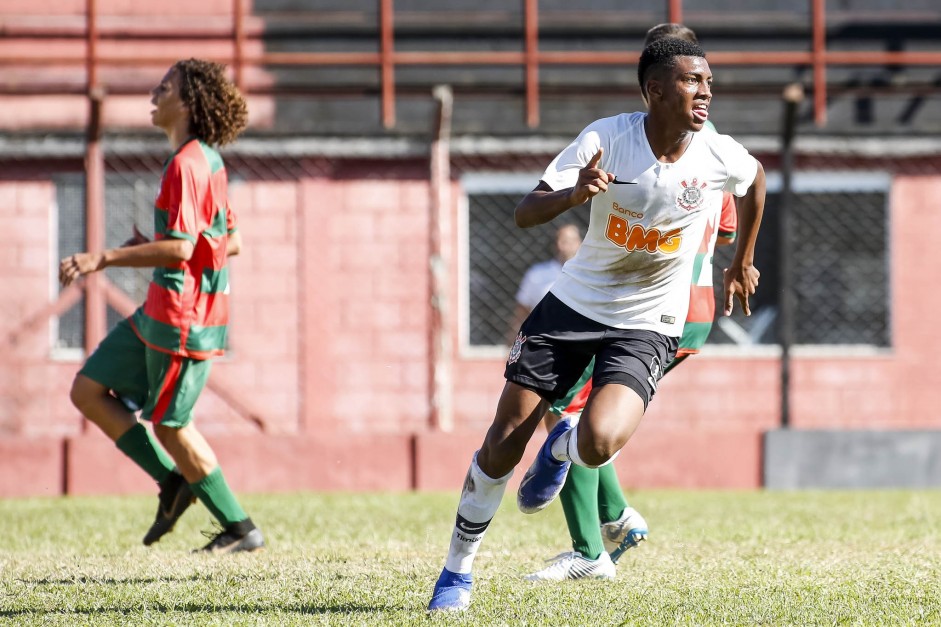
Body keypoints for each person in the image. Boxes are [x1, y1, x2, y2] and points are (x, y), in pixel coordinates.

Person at [428, 36, 765, 611]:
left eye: (708, 82)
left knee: (601, 437)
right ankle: (456, 571)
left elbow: (755, 181)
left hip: (648, 320)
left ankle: (562, 452)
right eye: (692, 82)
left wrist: (742, 259)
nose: (705, 92)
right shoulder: (607, 138)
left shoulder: (718, 152)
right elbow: (524, 211)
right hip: (574, 306)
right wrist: (574, 194)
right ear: (655, 90)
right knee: (502, 447)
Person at [524, 23, 738, 582]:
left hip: (658, 302)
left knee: (567, 410)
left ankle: (592, 549)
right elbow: (728, 232)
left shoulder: (695, 145)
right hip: (689, 304)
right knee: (573, 410)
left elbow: (718, 220)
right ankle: (613, 519)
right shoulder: (696, 137)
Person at [59, 58, 264, 554]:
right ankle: (172, 484)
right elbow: (225, 241)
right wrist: (162, 243)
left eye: (164, 87)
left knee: (171, 425)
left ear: (188, 103)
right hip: (160, 309)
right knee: (87, 390)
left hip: (183, 317)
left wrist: (101, 257)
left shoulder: (188, 165)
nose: (154, 93)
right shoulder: (205, 160)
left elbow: (182, 249)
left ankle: (240, 529)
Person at [508, 223, 583, 345]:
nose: (568, 245)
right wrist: (512, 343)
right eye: (564, 240)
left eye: (572, 240)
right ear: (556, 244)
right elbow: (522, 312)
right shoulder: (537, 273)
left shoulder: (590, 274)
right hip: (544, 342)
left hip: (582, 342)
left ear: (580, 243)